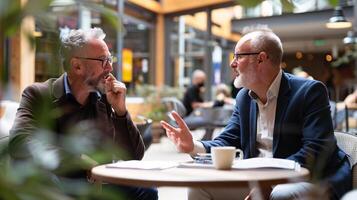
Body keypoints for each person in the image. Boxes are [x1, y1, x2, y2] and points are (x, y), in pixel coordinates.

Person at [161, 29, 351, 200]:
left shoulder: (310, 91)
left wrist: (271, 182)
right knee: (199, 188)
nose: (232, 63)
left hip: (310, 180)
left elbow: (315, 150)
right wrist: (192, 145)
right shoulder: (244, 97)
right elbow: (228, 139)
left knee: (279, 194)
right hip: (259, 181)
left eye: (238, 56)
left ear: (261, 59)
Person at [9, 27, 157, 200]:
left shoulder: (103, 99)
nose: (109, 67)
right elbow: (20, 141)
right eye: (103, 60)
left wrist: (120, 112)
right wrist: (79, 160)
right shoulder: (39, 94)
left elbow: (134, 156)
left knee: (147, 190)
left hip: (97, 185)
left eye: (110, 59)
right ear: (77, 66)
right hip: (58, 183)